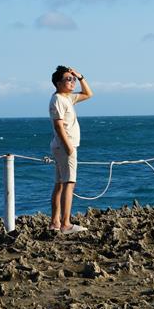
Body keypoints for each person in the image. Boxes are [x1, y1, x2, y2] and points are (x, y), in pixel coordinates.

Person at [48, 65, 93, 234]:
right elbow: (58, 125)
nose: (72, 82)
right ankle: (66, 223)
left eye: (72, 79)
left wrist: (80, 76)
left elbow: (89, 94)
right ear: (58, 83)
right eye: (68, 79)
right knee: (69, 183)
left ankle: (55, 223)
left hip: (62, 146)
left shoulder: (67, 98)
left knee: (60, 183)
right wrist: (69, 147)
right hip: (65, 146)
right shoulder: (58, 99)